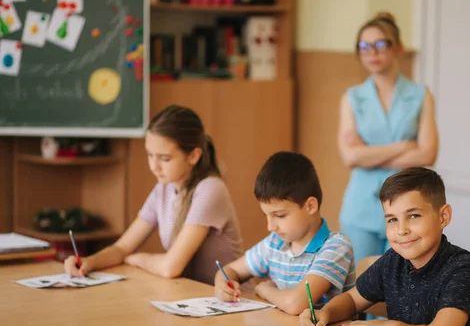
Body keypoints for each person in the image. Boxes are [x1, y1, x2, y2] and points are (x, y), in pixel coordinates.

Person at [300, 167, 470, 326]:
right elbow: (352, 300)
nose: (402, 230)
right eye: (392, 219)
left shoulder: (462, 269)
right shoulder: (394, 260)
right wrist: (325, 313)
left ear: (443, 217)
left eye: (413, 216)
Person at [64, 105, 243, 284]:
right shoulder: (163, 189)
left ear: (194, 156)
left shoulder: (210, 189)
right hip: (193, 298)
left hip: (231, 302)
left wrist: (134, 259)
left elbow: (170, 267)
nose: (154, 166)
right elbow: (123, 246)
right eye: (150, 155)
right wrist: (88, 262)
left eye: (165, 158)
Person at [338, 12, 439, 263]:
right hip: (361, 207)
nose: (372, 52)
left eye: (380, 44)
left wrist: (368, 154)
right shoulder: (352, 98)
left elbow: (427, 154)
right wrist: (404, 146)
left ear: (398, 49)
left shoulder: (420, 95)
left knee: (404, 286)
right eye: (364, 46)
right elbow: (350, 156)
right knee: (362, 287)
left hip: (408, 204)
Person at [214, 151, 355, 315]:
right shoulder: (275, 243)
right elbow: (230, 270)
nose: (270, 226)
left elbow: (296, 304)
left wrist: (265, 290)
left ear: (310, 206)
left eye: (279, 216)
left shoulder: (336, 247)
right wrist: (223, 285)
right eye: (266, 215)